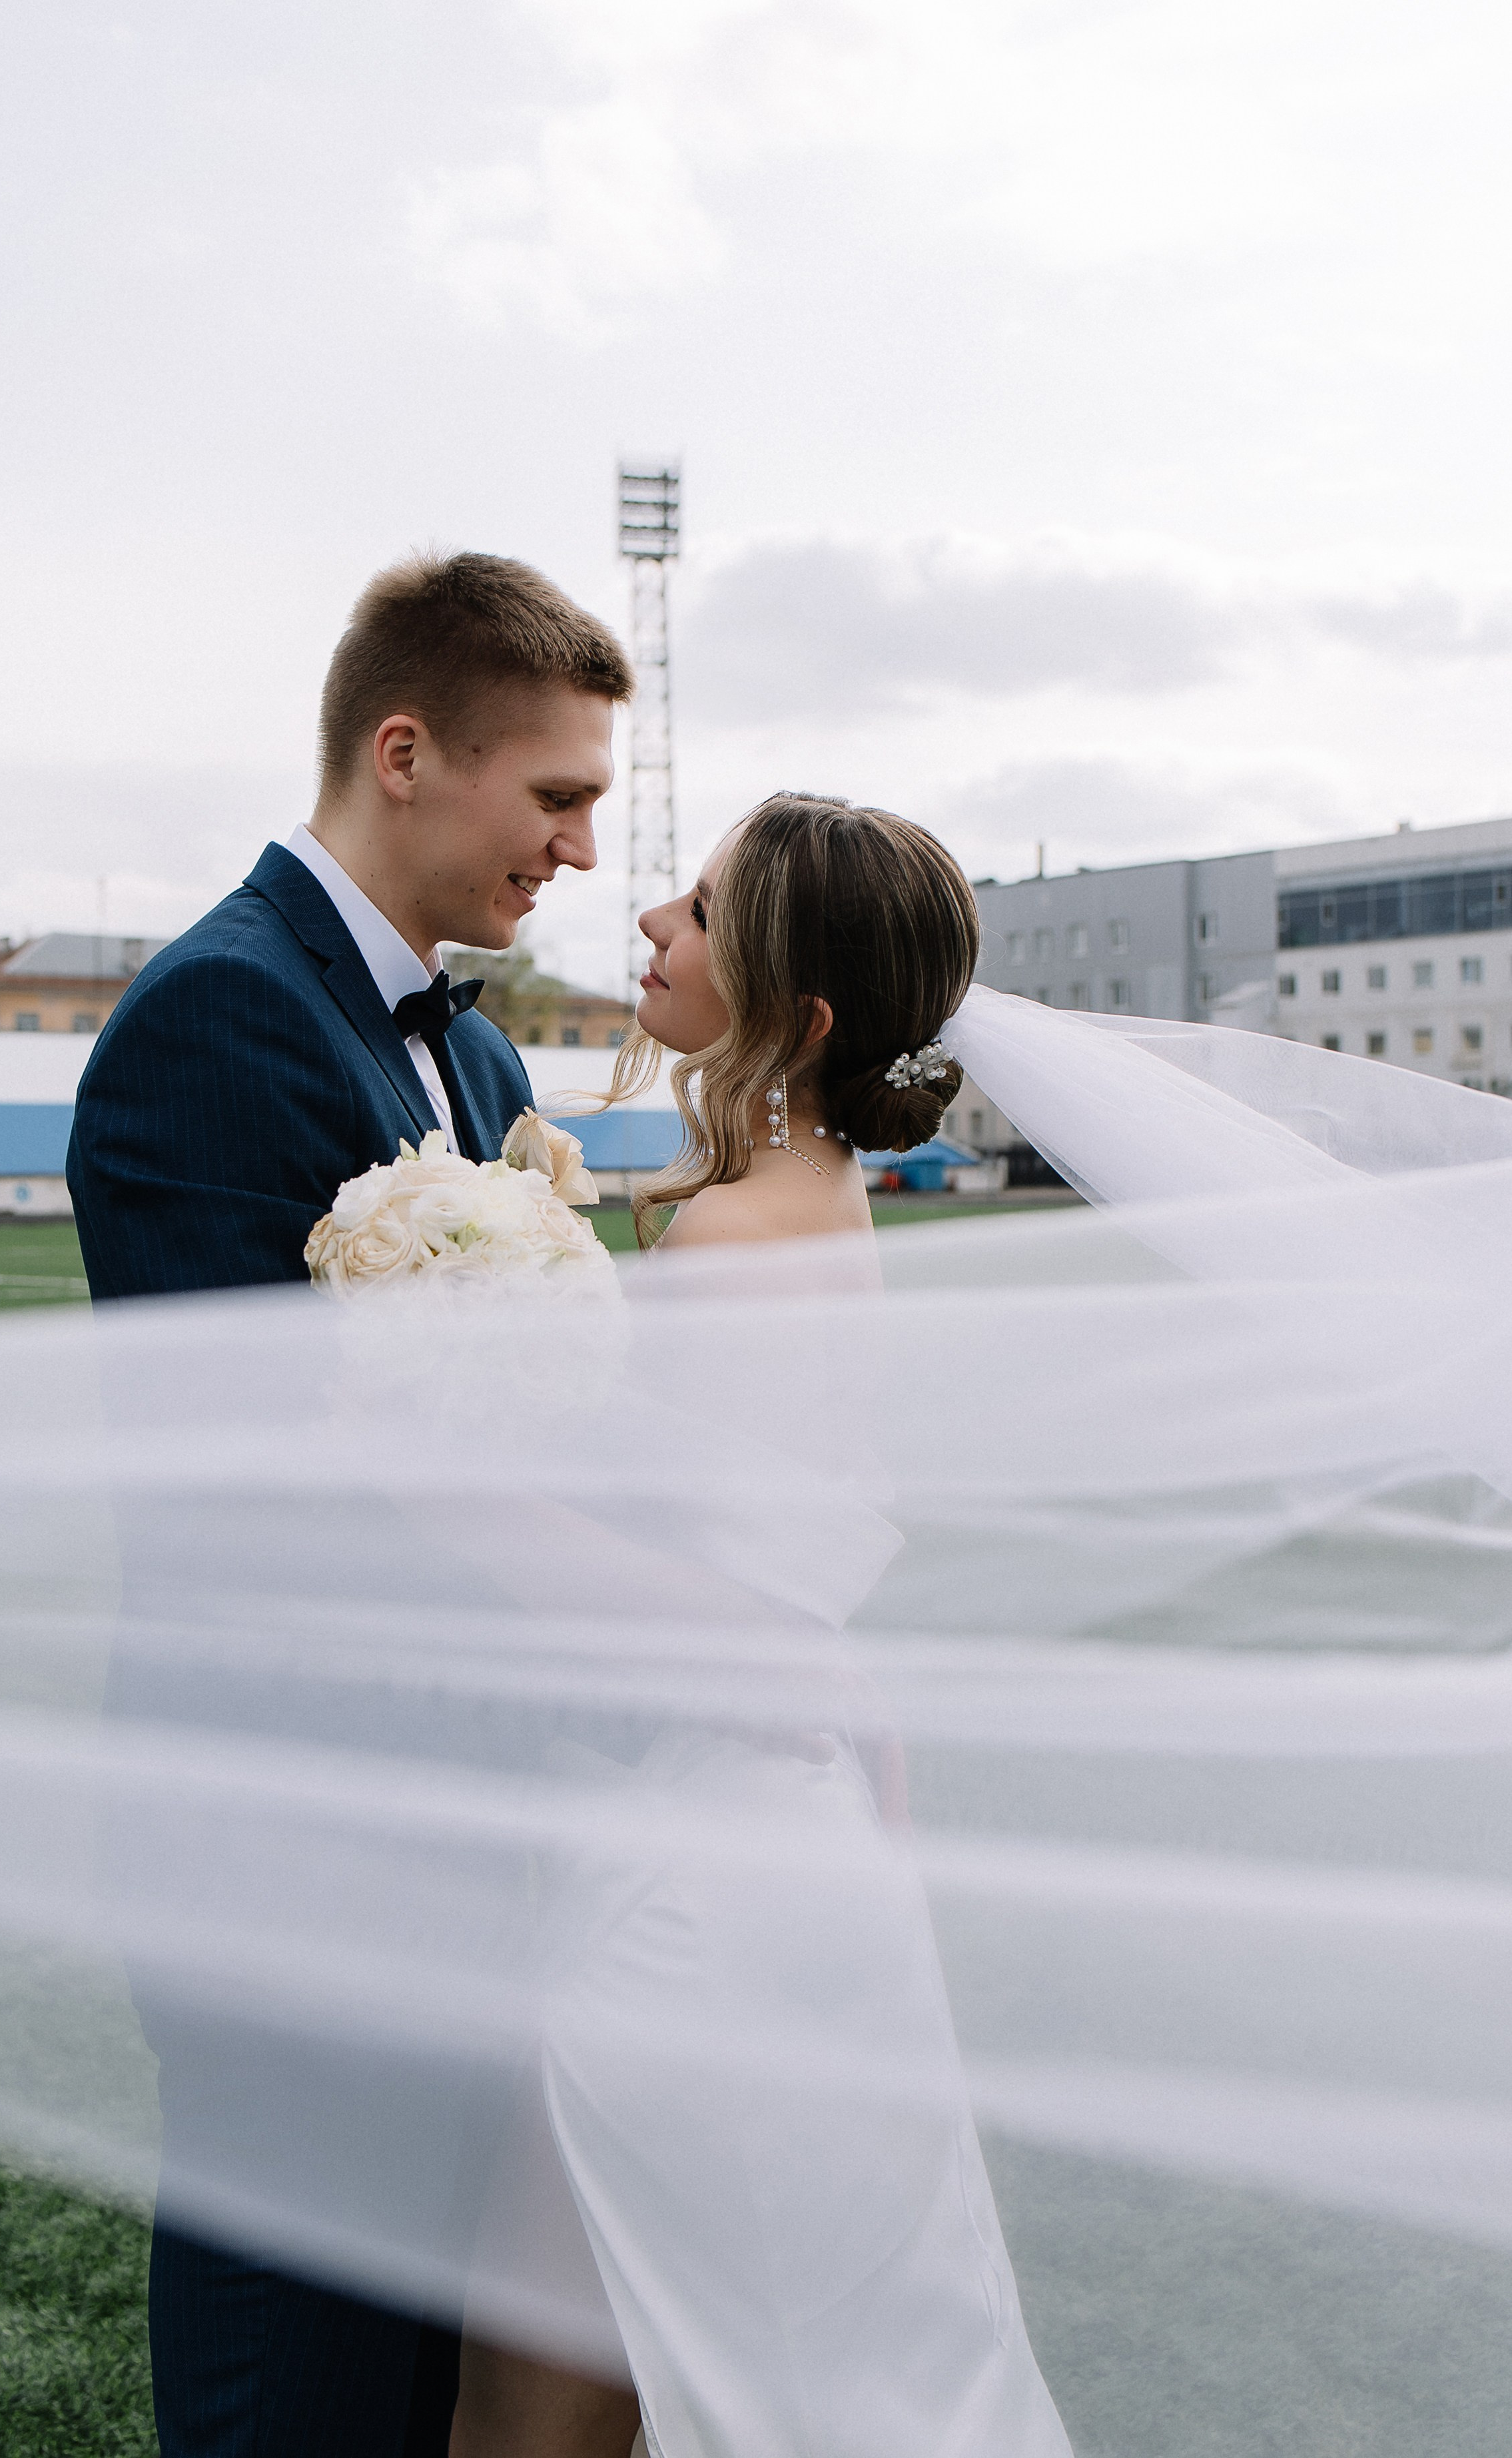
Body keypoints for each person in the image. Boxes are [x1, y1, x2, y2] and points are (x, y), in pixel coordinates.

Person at [66, 550, 633, 2457]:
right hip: (293, 1862)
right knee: (294, 2405)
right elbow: (248, 1499)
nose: (572, 848)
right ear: (405, 750)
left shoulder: (474, 1054)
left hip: (484, 1839)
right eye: (551, 796)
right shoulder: (211, 1018)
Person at [450, 795, 1072, 2458]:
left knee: (550, 2397)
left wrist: (434, 1446)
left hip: (697, 1879)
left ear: (794, 1010)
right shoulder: (792, 1200)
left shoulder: (740, 1240)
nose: (654, 916)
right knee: (626, 2371)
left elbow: (705, 1621)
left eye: (704, 909)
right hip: (743, 1837)